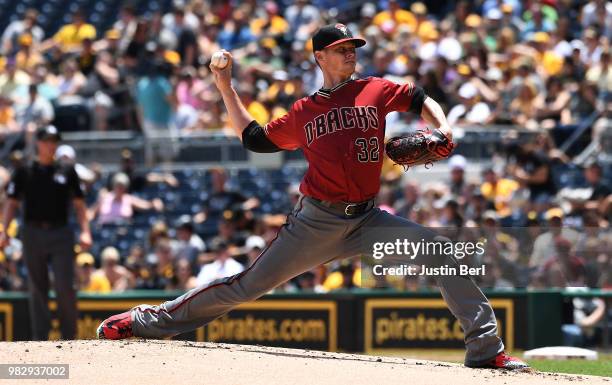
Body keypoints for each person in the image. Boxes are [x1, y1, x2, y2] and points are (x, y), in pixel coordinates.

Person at [97, 24, 528, 370]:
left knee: (439, 250)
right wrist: (225, 85)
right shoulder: (304, 111)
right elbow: (255, 139)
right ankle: (145, 320)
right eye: (341, 48)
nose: (350, 53)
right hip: (315, 223)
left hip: (368, 220)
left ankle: (485, 350)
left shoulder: (375, 89)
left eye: (352, 47)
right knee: (246, 287)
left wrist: (444, 127)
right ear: (319, 57)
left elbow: (420, 97)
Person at [0, 125, 92, 340]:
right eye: (47, 140)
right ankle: (41, 338)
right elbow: (12, 203)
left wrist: (86, 231)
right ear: (38, 143)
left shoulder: (67, 170)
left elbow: (79, 205)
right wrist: (4, 231)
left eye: (54, 141)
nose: (51, 145)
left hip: (61, 232)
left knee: (64, 286)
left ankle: (70, 337)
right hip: (32, 232)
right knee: (37, 286)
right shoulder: (24, 170)